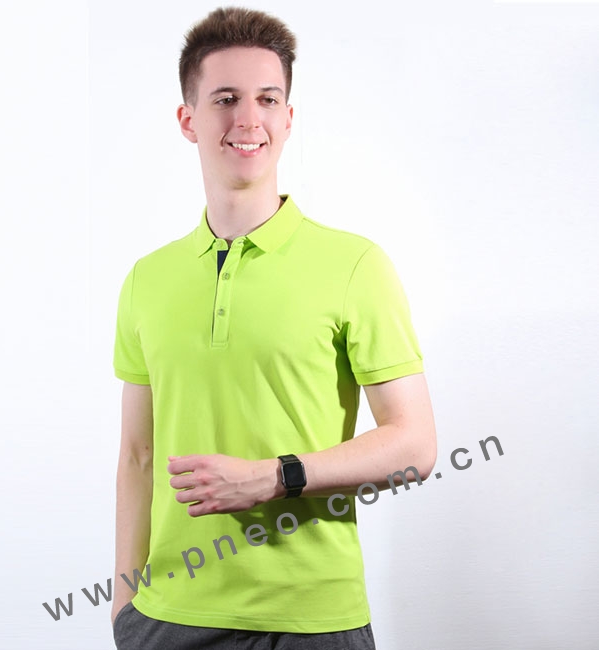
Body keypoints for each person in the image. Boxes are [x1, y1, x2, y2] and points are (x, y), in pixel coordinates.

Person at [111, 6, 437, 649]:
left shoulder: (355, 265)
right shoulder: (147, 279)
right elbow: (137, 456)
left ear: (288, 118)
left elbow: (416, 445)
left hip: (311, 622)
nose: (248, 119)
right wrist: (126, 603)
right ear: (188, 119)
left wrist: (273, 476)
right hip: (168, 622)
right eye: (225, 99)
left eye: (267, 99)